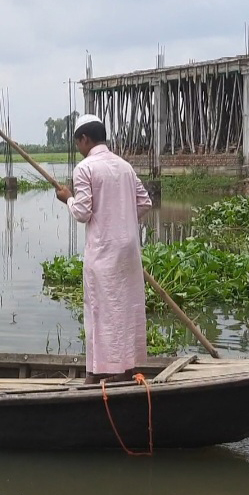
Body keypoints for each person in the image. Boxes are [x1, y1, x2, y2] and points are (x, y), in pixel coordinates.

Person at [55, 114, 152, 384]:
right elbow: (144, 204)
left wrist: (67, 198)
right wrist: (121, 221)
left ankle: (95, 373)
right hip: (128, 251)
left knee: (99, 309)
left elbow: (82, 212)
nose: (79, 148)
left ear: (85, 139)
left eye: (78, 143)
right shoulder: (124, 166)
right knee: (126, 307)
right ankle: (126, 369)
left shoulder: (85, 168)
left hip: (103, 252)